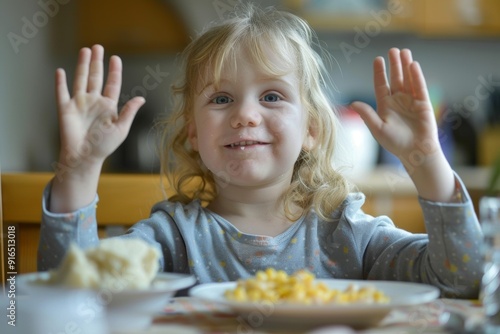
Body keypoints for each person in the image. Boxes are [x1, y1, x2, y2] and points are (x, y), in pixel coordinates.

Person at [39, 3, 483, 298]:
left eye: (271, 97)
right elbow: (75, 296)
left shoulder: (348, 233)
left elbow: (458, 278)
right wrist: (78, 171)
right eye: (221, 98)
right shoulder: (173, 238)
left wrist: (426, 163)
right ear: (193, 132)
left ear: (311, 128)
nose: (245, 115)